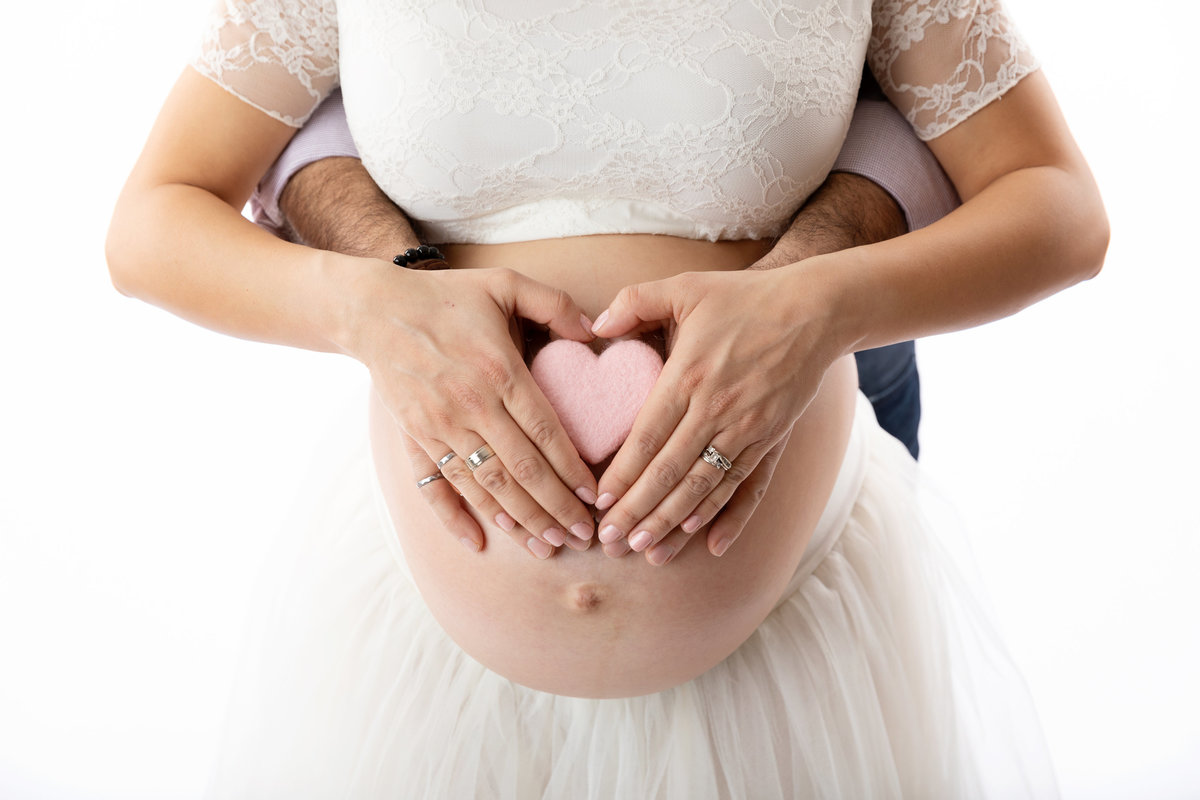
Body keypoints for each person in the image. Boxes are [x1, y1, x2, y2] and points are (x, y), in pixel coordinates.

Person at [106, 1, 1108, 797]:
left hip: (798, 654)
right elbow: (155, 217)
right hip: (416, 663)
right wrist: (372, 310)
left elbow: (1056, 204)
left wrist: (814, 308)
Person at [255, 74, 957, 464]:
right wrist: (395, 286)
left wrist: (797, 288)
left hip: (840, 366)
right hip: (431, 567)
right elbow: (285, 106)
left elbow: (957, 111)